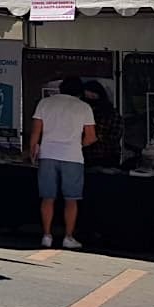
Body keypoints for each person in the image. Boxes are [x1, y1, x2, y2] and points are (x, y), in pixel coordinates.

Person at [29, 76, 97, 250]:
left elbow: (36, 132)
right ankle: (68, 236)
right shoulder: (84, 107)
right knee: (71, 199)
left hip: (48, 154)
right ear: (79, 91)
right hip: (73, 156)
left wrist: (33, 151)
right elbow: (91, 137)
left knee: (47, 197)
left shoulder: (45, 103)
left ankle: (46, 235)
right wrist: (78, 144)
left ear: (61, 88)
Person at [81, 81, 123, 169]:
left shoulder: (111, 114)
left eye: (92, 96)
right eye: (87, 97)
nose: (90, 100)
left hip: (107, 157)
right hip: (85, 157)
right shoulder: (81, 112)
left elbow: (115, 136)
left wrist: (93, 136)